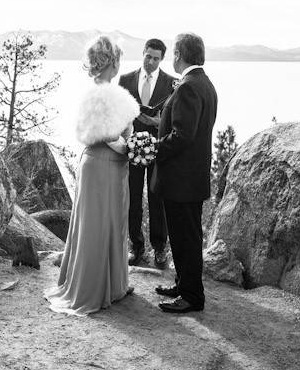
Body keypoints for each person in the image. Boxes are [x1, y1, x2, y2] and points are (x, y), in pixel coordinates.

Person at [44, 35, 140, 316]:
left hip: (91, 162)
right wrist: (132, 150)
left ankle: (110, 284)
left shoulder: (90, 93)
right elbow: (111, 135)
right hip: (107, 164)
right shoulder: (110, 94)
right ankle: (103, 288)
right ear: (112, 62)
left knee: (93, 224)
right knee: (106, 224)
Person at [152, 33, 218, 314]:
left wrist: (155, 147)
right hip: (190, 179)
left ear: (178, 54)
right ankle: (183, 283)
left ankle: (191, 295)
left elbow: (182, 136)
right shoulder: (204, 83)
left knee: (185, 238)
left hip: (181, 181)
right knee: (184, 237)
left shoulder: (189, 87)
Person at [118, 39, 176, 268]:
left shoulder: (172, 83)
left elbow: (174, 120)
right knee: (132, 197)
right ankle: (136, 246)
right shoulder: (125, 80)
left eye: (156, 58)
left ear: (162, 59)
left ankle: (160, 249)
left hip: (158, 145)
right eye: (148, 56)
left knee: (157, 198)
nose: (151, 61)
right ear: (143, 53)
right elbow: (120, 112)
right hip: (132, 146)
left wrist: (160, 121)